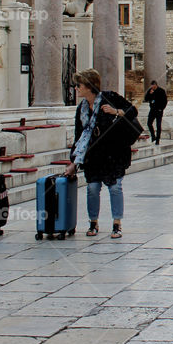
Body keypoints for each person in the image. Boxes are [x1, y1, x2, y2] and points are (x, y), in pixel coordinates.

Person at [64, 68, 138, 240]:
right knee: (92, 188)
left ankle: (117, 223)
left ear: (89, 86)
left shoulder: (110, 98)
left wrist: (116, 111)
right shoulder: (81, 109)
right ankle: (93, 222)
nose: (76, 88)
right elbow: (79, 136)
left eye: (79, 85)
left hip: (114, 153)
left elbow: (132, 110)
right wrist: (74, 162)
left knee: (115, 187)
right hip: (93, 155)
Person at [144, 80, 167, 145]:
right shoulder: (150, 90)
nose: (152, 87)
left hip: (159, 110)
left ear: (156, 85)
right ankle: (153, 136)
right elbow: (146, 99)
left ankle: (157, 139)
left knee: (158, 125)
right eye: (151, 86)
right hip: (152, 110)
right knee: (149, 123)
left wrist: (161, 109)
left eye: (153, 86)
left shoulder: (161, 91)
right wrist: (149, 94)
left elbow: (165, 101)